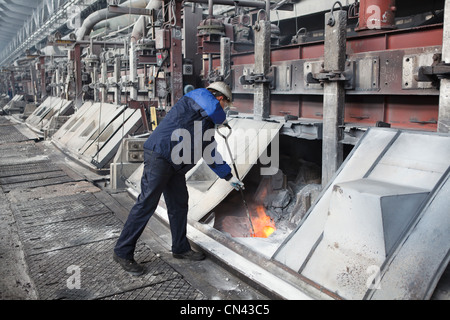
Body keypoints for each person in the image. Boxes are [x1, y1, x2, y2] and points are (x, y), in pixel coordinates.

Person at [113, 82, 244, 276]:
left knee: (179, 205)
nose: (224, 109)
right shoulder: (200, 95)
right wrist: (222, 119)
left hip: (174, 164)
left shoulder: (205, 121)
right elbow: (214, 109)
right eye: (225, 105)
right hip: (161, 155)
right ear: (220, 98)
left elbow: (210, 152)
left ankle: (180, 248)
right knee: (146, 203)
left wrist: (228, 176)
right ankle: (122, 252)